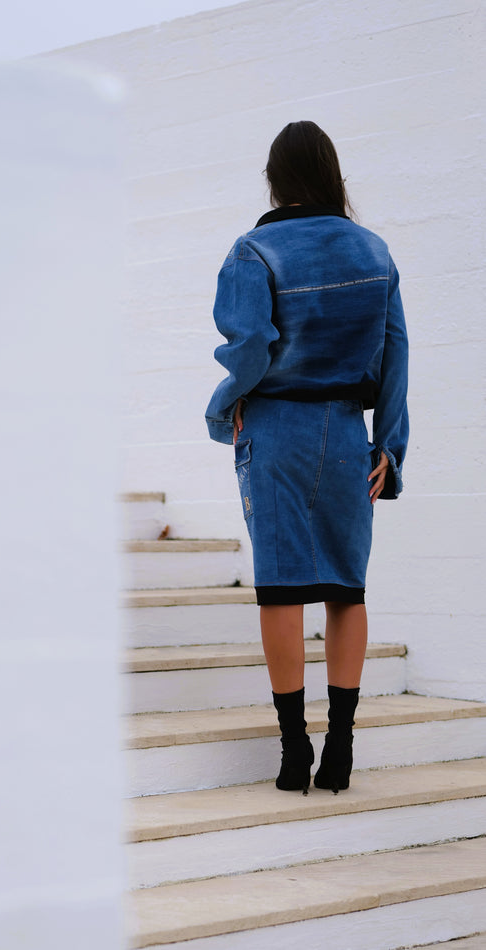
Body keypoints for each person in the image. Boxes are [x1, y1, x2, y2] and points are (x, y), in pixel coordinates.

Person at [205, 120, 409, 795]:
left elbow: (249, 347)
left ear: (275, 179)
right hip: (348, 433)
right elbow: (396, 351)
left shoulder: (254, 250)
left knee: (282, 588)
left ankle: (294, 751)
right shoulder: (373, 250)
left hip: (276, 429)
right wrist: (389, 445)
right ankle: (340, 749)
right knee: (346, 590)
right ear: (330, 174)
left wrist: (225, 403)